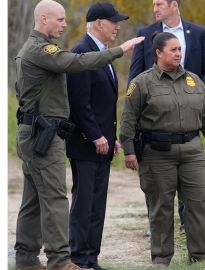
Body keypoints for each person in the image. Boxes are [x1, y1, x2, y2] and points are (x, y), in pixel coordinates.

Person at [14, 1, 143, 269]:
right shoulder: (41, 49)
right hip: (42, 133)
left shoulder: (35, 49)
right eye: (59, 20)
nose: (64, 24)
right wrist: (120, 50)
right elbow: (75, 63)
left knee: (34, 199)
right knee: (54, 198)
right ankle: (61, 261)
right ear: (43, 19)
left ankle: (26, 258)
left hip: (37, 130)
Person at [119, 32, 205, 267]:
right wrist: (129, 150)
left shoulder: (194, 81)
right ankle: (162, 257)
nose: (178, 53)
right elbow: (128, 120)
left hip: (193, 151)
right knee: (161, 207)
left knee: (198, 203)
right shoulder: (142, 82)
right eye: (173, 49)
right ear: (158, 53)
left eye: (179, 49)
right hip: (157, 153)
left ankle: (200, 255)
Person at [65, 3, 129, 270]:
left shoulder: (102, 54)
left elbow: (103, 104)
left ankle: (91, 258)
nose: (117, 26)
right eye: (113, 22)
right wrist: (94, 135)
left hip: (102, 144)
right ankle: (78, 258)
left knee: (98, 203)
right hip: (84, 144)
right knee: (84, 202)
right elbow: (80, 103)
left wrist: (110, 136)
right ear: (99, 24)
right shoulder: (81, 53)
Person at [128, 0, 205, 94]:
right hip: (155, 103)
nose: (154, 9)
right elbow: (135, 74)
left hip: (190, 104)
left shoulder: (198, 33)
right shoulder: (145, 34)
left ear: (174, 5)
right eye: (154, 5)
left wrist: (200, 94)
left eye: (159, 5)